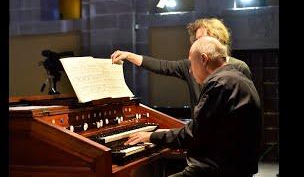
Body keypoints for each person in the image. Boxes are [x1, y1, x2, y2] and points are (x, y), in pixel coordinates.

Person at [124, 36, 262, 177]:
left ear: (203, 59)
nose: (189, 70)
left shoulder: (219, 84)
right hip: (234, 167)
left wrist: (151, 136)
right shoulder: (236, 77)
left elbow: (192, 134)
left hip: (216, 170)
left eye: (191, 63)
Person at [111, 18, 252, 119]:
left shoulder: (239, 67)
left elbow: (247, 113)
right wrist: (129, 55)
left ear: (218, 40)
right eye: (196, 40)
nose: (197, 43)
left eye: (202, 38)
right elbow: (162, 66)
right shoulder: (190, 65)